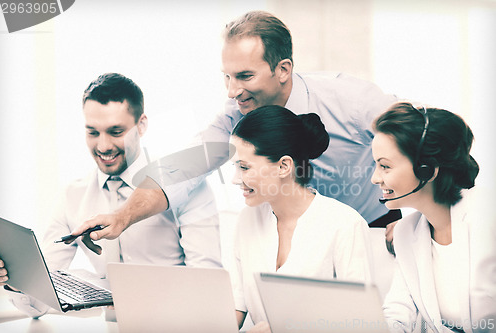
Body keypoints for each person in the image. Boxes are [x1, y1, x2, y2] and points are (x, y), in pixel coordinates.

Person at [73, 10, 399, 254]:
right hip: (297, 241)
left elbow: (429, 137)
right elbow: (178, 170)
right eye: (226, 77)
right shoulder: (236, 115)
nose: (232, 91)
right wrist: (122, 216)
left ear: (283, 69)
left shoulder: (352, 102)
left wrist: (414, 219)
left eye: (244, 76)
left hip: (373, 230)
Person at [0, 73, 222, 318]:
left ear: (142, 125)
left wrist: (139, 302)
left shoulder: (185, 185)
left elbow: (207, 287)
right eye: (93, 132)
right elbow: (39, 302)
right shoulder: (72, 196)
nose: (103, 146)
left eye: (116, 132)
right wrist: (16, 280)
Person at [230, 105, 372, 332]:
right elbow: (236, 305)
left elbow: (361, 324)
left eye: (244, 168)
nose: (235, 179)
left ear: (284, 166)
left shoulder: (344, 225)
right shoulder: (247, 220)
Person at [371, 102, 496, 332]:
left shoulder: (488, 215)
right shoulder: (406, 232)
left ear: (427, 169)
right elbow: (399, 310)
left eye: (385, 167)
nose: (374, 179)